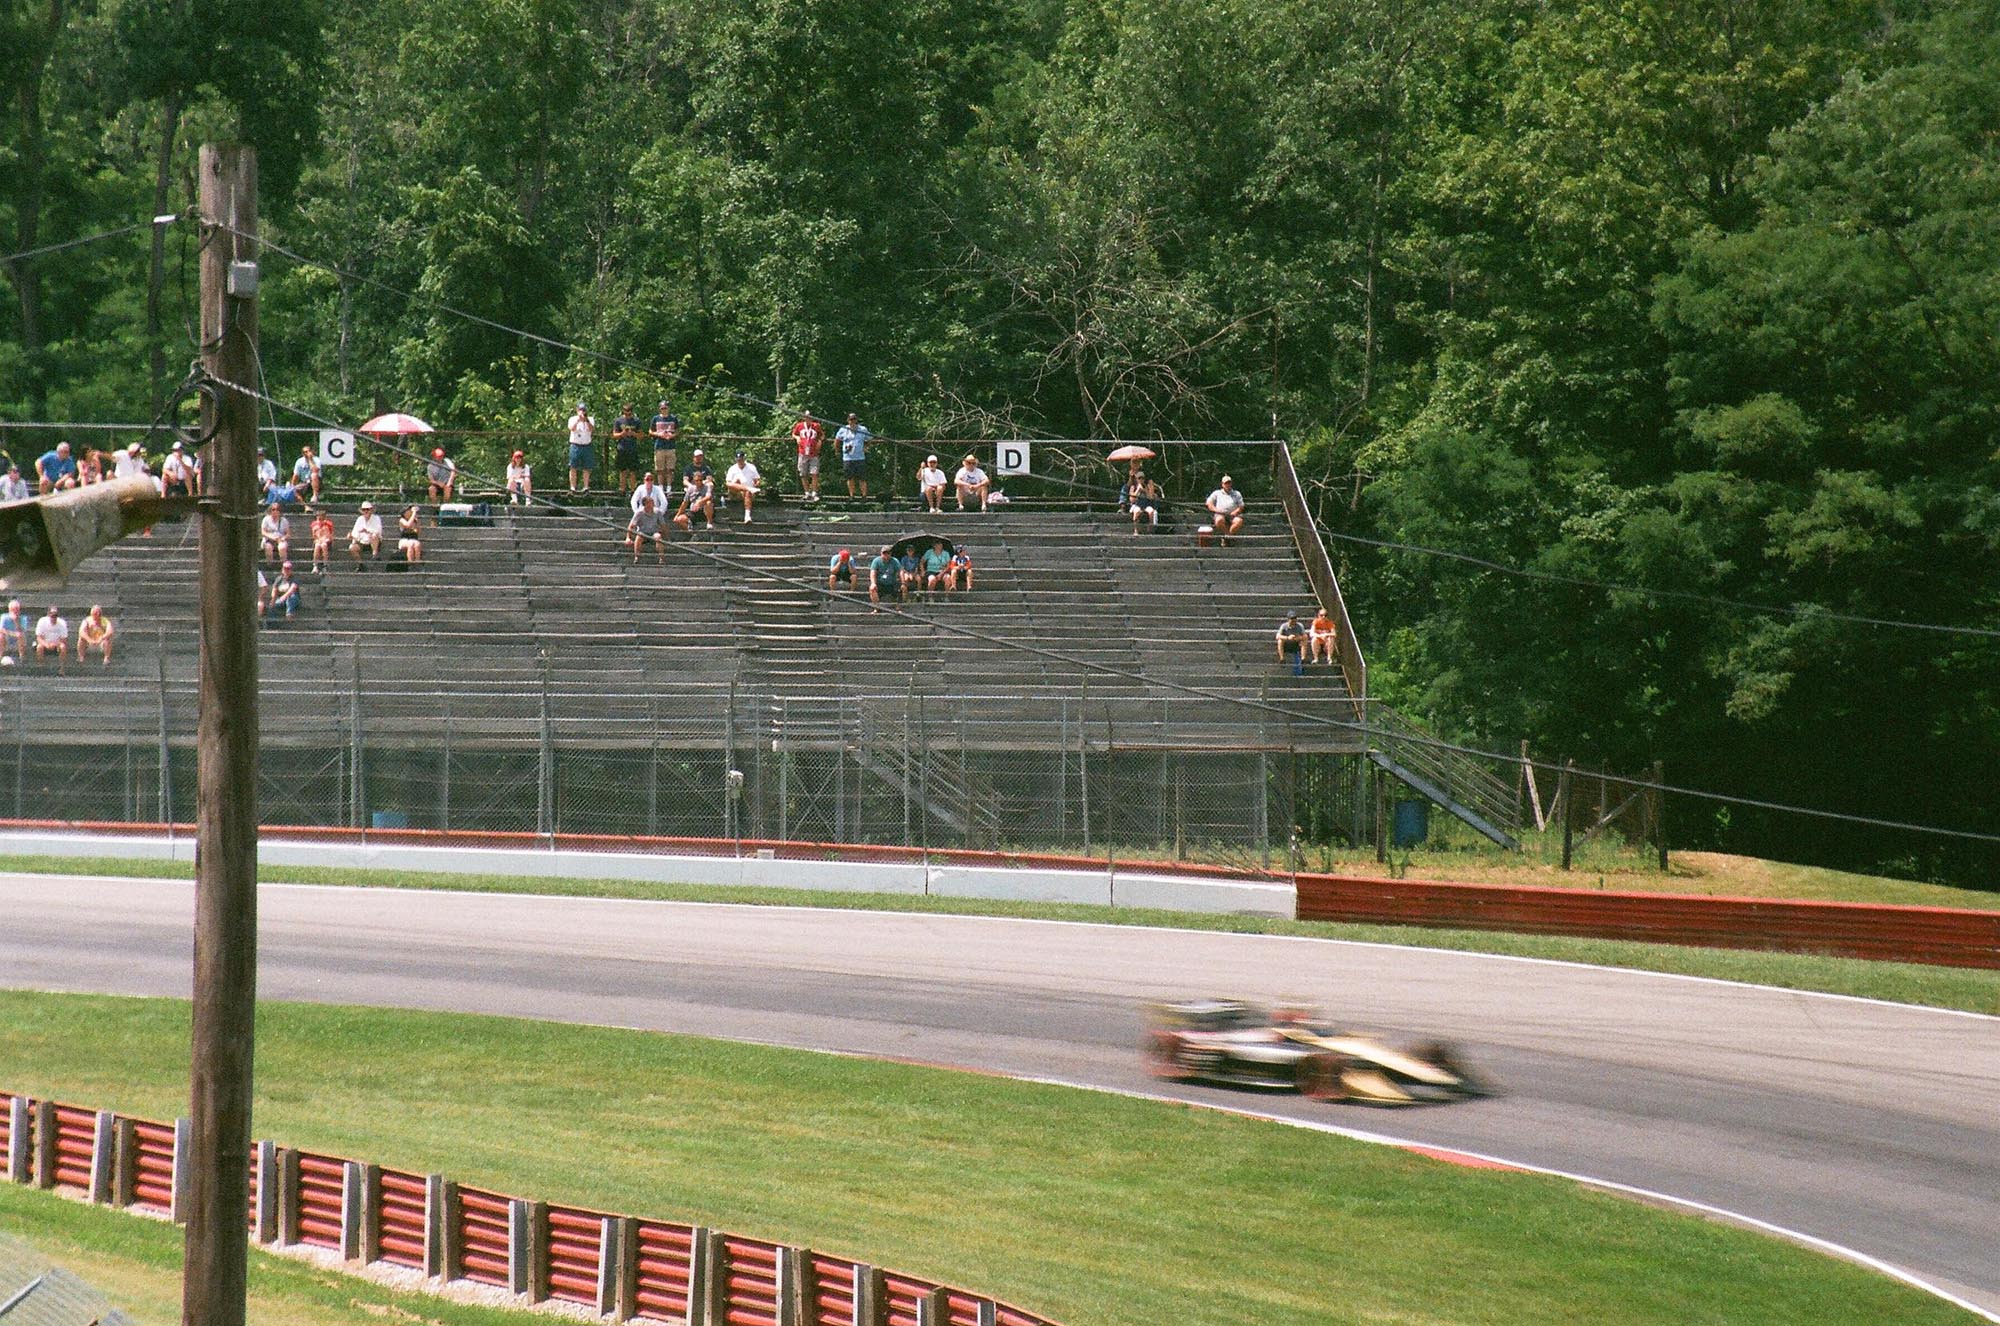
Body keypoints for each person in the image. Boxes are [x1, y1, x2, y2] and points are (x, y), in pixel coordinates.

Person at [791, 411, 823, 502]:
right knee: (803, 473)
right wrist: (797, 438)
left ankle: (814, 492)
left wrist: (820, 441)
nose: (808, 419)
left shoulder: (816, 426)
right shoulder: (799, 426)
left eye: (809, 417)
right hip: (802, 452)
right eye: (806, 417)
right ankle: (807, 492)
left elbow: (822, 435)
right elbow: (794, 434)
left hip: (814, 453)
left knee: (814, 473)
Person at [836, 413, 870, 497]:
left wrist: (866, 447)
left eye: (854, 419)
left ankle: (864, 495)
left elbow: (869, 439)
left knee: (862, 478)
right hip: (848, 458)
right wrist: (837, 450)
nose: (853, 421)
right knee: (849, 478)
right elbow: (837, 440)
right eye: (851, 419)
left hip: (860, 457)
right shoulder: (843, 429)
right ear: (848, 420)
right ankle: (852, 495)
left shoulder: (862, 429)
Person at [1206, 474, 1245, 544]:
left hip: (1233, 516)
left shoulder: (1237, 493)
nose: (1228, 485)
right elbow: (1209, 504)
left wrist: (1235, 512)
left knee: (1239, 521)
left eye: (1229, 483)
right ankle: (1228, 537)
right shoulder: (1216, 493)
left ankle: (1226, 537)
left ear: (1231, 483)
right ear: (1222, 484)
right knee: (1219, 520)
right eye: (1226, 483)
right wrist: (1218, 511)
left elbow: (1241, 506)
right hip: (1220, 515)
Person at [627, 496, 667, 563]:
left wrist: (666, 537)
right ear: (645, 504)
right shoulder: (639, 513)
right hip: (643, 533)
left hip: (654, 532)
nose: (653, 504)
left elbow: (663, 525)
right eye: (651, 503)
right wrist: (628, 537)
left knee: (658, 536)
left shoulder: (657, 512)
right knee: (639, 537)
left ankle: (662, 558)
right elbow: (631, 526)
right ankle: (637, 557)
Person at [649, 399, 680, 483]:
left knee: (670, 469)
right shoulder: (655, 418)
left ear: (668, 408)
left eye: (665, 408)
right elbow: (650, 431)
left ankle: (669, 487)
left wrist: (672, 436)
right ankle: (660, 487)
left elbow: (677, 431)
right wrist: (659, 434)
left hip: (670, 446)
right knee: (659, 469)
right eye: (662, 408)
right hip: (659, 446)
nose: (664, 410)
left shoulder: (673, 418)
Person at [724, 450, 761, 523]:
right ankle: (746, 488)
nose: (740, 461)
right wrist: (737, 484)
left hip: (749, 493)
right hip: (736, 492)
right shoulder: (732, 468)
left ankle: (747, 516)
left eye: (741, 459)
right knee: (730, 484)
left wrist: (757, 484)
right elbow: (728, 483)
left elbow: (758, 480)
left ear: (744, 458)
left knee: (747, 492)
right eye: (738, 460)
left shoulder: (751, 467)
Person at [567, 402, 595, 493]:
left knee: (587, 467)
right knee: (573, 467)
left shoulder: (590, 419)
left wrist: (586, 420)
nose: (582, 412)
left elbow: (592, 429)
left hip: (586, 445)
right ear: (577, 410)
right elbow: (572, 428)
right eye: (580, 410)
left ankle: (586, 486)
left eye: (584, 410)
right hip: (575, 445)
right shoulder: (572, 419)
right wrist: (578, 420)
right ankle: (573, 487)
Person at [867, 544, 900, 611]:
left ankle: (899, 607)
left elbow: (900, 571)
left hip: (892, 584)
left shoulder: (895, 561)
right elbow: (873, 572)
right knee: (872, 588)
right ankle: (877, 607)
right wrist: (873, 583)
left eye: (888, 553)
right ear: (881, 553)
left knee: (902, 587)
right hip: (880, 584)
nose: (886, 555)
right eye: (884, 553)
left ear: (890, 554)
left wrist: (903, 582)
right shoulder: (876, 561)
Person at [1274, 612, 1306, 676]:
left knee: (1303, 641)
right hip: (1287, 644)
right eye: (1292, 618)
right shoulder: (1284, 626)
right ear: (1288, 619)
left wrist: (1299, 637)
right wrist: (1287, 638)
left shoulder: (1300, 626)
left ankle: (1303, 659)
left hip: (1296, 644)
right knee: (1280, 641)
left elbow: (1305, 636)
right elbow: (1277, 636)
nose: (1293, 620)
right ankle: (1282, 659)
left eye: (1295, 618)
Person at [309, 507, 335, 573]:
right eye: (319, 519)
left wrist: (325, 537)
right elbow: (314, 536)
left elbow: (330, 536)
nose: (320, 521)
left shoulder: (328, 524)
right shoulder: (314, 524)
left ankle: (325, 565)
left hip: (326, 541)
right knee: (317, 546)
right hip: (318, 540)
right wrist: (317, 537)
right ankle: (315, 565)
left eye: (322, 519)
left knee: (324, 545)